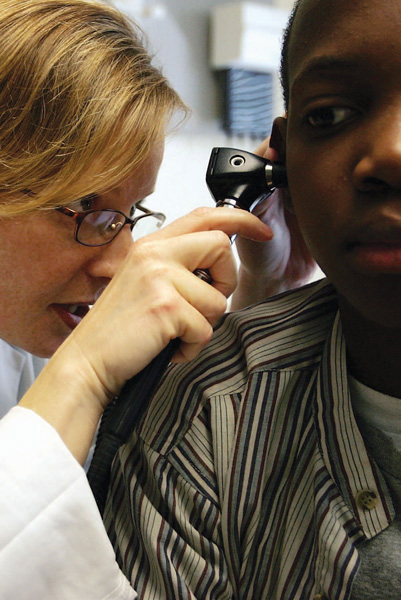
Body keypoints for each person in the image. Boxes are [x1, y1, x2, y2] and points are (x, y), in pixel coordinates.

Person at [105, 0, 401, 598]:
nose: (392, 153)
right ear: (283, 161)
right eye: (332, 113)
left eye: (126, 216)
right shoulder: (206, 418)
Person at [0, 1, 292, 598]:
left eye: (130, 215)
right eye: (86, 209)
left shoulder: (25, 330)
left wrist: (266, 287)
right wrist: (86, 373)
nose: (118, 263)